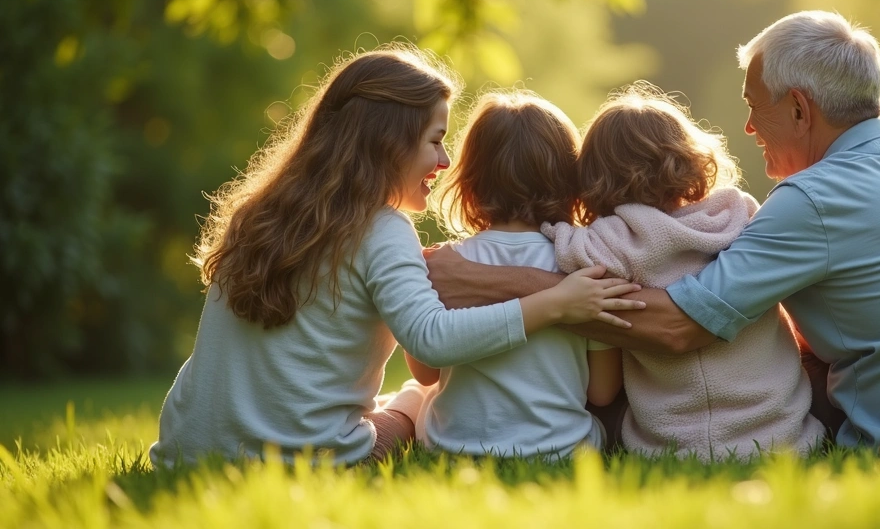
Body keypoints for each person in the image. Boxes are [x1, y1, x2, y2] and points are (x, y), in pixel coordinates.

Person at [426, 12, 880, 451]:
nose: (750, 128)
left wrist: (489, 282)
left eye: (755, 108)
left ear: (799, 109)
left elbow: (679, 327)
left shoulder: (811, 199)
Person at [149, 48, 641, 467]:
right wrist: (554, 304)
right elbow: (431, 339)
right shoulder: (380, 228)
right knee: (414, 401)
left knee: (418, 394)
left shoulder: (258, 212)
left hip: (184, 450)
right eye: (435, 140)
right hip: (304, 461)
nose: (444, 162)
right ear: (389, 140)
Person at [541, 85, 824, 460]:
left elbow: (564, 250)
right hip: (781, 435)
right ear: (690, 156)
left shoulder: (610, 241)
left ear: (593, 176)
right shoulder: (738, 213)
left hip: (669, 446)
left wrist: (550, 226)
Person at [379, 90, 623, 458]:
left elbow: (426, 374)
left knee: (417, 396)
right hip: (562, 451)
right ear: (570, 182)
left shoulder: (446, 266)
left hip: (451, 449)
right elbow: (602, 392)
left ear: (470, 183)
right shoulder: (584, 267)